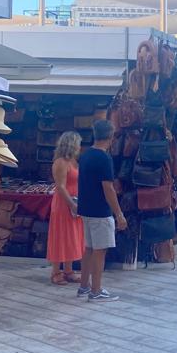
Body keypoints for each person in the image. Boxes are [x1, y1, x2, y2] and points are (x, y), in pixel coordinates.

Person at [76, 120, 126, 301]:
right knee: (100, 250)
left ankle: (84, 286)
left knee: (89, 248)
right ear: (111, 137)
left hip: (87, 208)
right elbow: (108, 188)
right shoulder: (104, 158)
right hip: (100, 210)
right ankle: (96, 290)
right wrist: (119, 213)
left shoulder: (86, 155)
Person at [46, 131, 84, 285]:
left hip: (74, 201)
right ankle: (56, 271)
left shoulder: (73, 162)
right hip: (64, 203)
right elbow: (60, 187)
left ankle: (68, 270)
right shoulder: (61, 162)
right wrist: (72, 204)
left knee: (71, 236)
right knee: (61, 235)